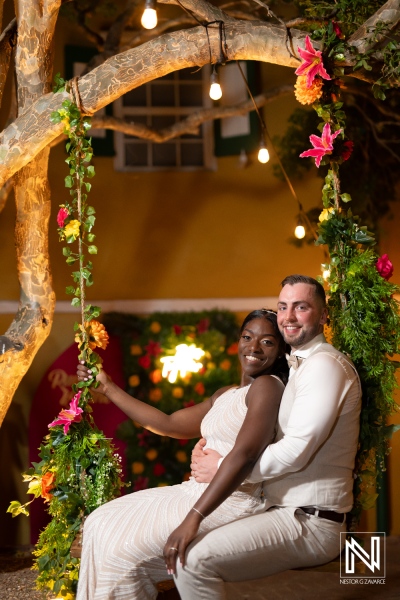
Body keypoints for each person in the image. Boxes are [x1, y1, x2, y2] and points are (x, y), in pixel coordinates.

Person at [75, 309, 289, 600]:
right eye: (247, 337)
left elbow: (245, 455)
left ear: (280, 352)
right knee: (101, 521)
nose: (253, 348)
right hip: (193, 490)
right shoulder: (226, 394)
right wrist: (109, 388)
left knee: (121, 550)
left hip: (229, 501)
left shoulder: (268, 387)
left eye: (267, 342)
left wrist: (193, 519)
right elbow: (169, 424)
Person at [173, 275, 362, 599]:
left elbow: (296, 450)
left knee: (192, 561)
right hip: (278, 508)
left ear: (323, 315)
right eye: (283, 307)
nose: (288, 316)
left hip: (310, 520)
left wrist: (222, 468)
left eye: (301, 307)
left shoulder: (325, 366)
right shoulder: (299, 367)